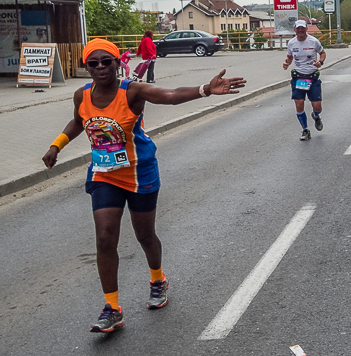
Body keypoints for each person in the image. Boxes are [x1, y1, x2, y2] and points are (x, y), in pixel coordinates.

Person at [42, 38, 246, 333]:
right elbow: (78, 122)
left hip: (139, 172)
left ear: (117, 63)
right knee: (105, 237)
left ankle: (157, 279)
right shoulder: (81, 95)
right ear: (87, 67)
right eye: (93, 63)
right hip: (104, 174)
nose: (100, 68)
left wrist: (205, 89)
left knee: (145, 235)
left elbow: (171, 94)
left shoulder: (132, 91)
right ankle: (112, 308)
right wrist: (56, 146)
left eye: (106, 62)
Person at [282, 19, 326, 141]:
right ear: (295, 30)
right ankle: (305, 129)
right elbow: (290, 56)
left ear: (306, 29)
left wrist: (320, 62)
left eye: (303, 28)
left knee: (317, 106)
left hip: (312, 78)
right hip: (299, 77)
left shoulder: (313, 41)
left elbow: (322, 53)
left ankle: (316, 116)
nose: (300, 31)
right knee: (299, 103)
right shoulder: (291, 43)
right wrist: (287, 62)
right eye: (298, 28)